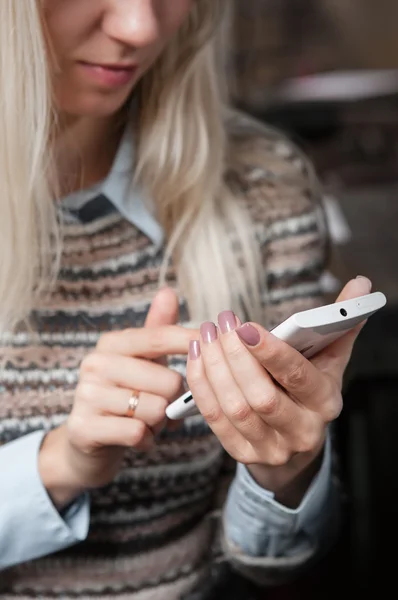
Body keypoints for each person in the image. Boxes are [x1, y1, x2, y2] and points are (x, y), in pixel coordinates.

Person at [0, 1, 371, 598]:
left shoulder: (263, 187)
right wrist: (58, 466)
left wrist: (285, 472)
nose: (139, 28)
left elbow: (279, 564)